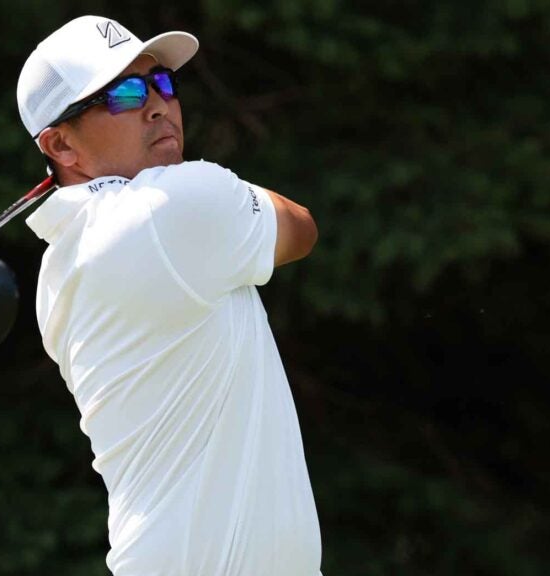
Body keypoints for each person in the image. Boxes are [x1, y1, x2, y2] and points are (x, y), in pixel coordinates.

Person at [16, 15, 322, 576]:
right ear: (60, 144)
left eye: (161, 83)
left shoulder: (61, 265)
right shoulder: (169, 208)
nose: (158, 105)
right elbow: (301, 228)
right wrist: (224, 190)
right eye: (124, 95)